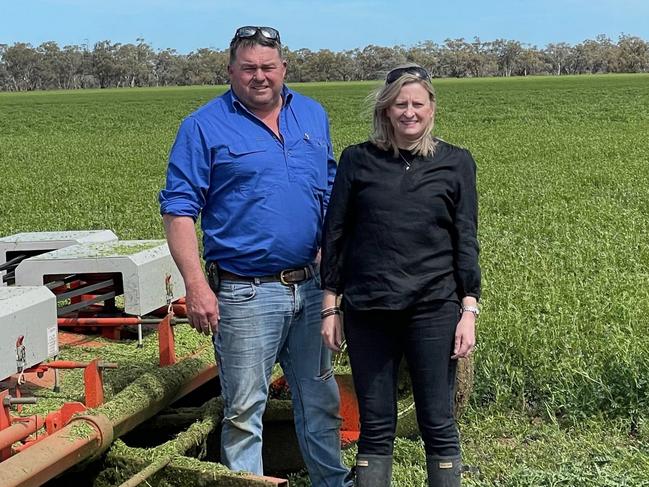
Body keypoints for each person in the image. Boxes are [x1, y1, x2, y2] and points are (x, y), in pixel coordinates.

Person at [159, 26, 350, 487]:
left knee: (319, 397)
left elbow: (330, 192)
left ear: (284, 68)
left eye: (268, 67)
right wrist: (196, 286)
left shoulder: (312, 115)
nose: (259, 76)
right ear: (231, 72)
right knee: (245, 408)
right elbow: (180, 209)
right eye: (249, 68)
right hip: (245, 293)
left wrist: (333, 268)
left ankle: (332, 481)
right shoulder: (203, 126)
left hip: (310, 286)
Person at [320, 63, 480, 487]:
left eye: (418, 104)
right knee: (375, 425)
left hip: (434, 309)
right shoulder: (358, 160)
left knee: (437, 420)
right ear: (386, 111)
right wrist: (330, 306)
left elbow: (466, 239)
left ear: (432, 109)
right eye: (400, 104)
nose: (409, 112)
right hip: (369, 310)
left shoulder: (456, 162)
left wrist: (469, 309)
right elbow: (336, 234)